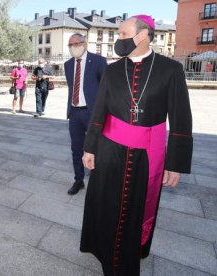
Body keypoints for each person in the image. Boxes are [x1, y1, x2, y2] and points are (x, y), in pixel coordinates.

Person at [80, 15, 193, 275]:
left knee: (136, 209)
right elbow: (99, 111)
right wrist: (90, 148)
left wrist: (175, 164)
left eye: (122, 34)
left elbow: (180, 119)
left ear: (142, 35)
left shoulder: (170, 69)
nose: (118, 40)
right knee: (107, 204)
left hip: (147, 154)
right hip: (109, 150)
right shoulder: (112, 70)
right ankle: (104, 251)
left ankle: (135, 250)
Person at [64, 34, 107, 195]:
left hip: (93, 114)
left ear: (85, 44)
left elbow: (106, 88)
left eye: (77, 43)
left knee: (98, 149)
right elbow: (72, 87)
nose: (74, 46)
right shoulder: (68, 64)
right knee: (76, 149)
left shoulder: (98, 61)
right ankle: (78, 180)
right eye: (71, 45)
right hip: (75, 113)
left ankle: (99, 182)